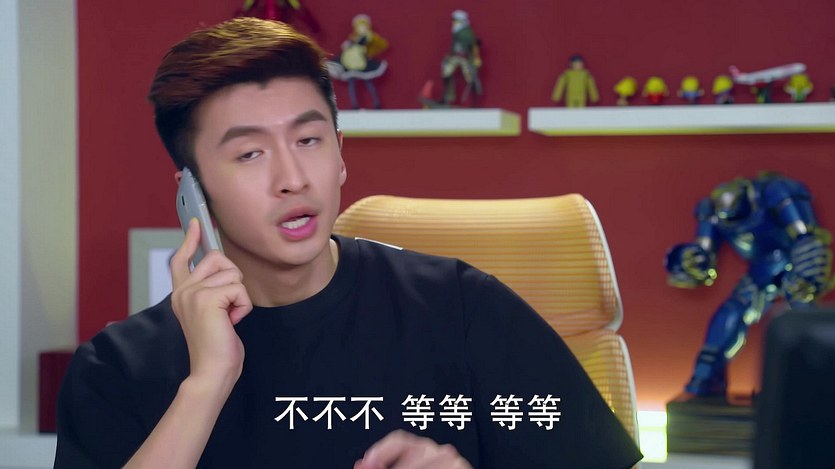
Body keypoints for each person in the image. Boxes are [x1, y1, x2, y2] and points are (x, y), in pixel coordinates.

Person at [55, 17, 642, 468]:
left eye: (309, 141)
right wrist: (206, 383)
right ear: (192, 192)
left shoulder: (465, 308)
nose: (292, 177)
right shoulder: (118, 368)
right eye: (250, 153)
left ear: (340, 155)